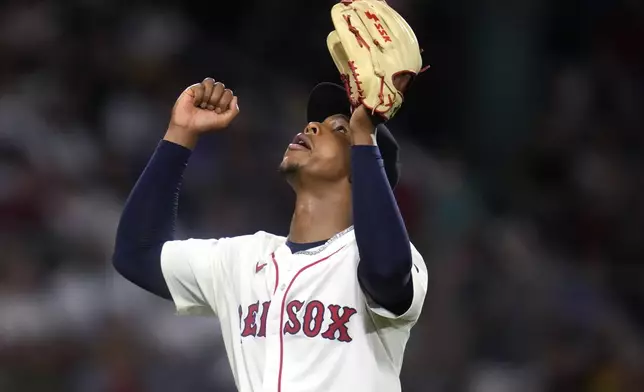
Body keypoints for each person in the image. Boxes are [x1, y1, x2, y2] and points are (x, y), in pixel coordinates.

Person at [112, 77, 428, 392]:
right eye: (315, 123)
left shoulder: (394, 260)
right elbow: (136, 253)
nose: (312, 128)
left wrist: (364, 134)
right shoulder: (241, 261)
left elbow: (386, 272)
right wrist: (180, 134)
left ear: (363, 166)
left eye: (339, 129)